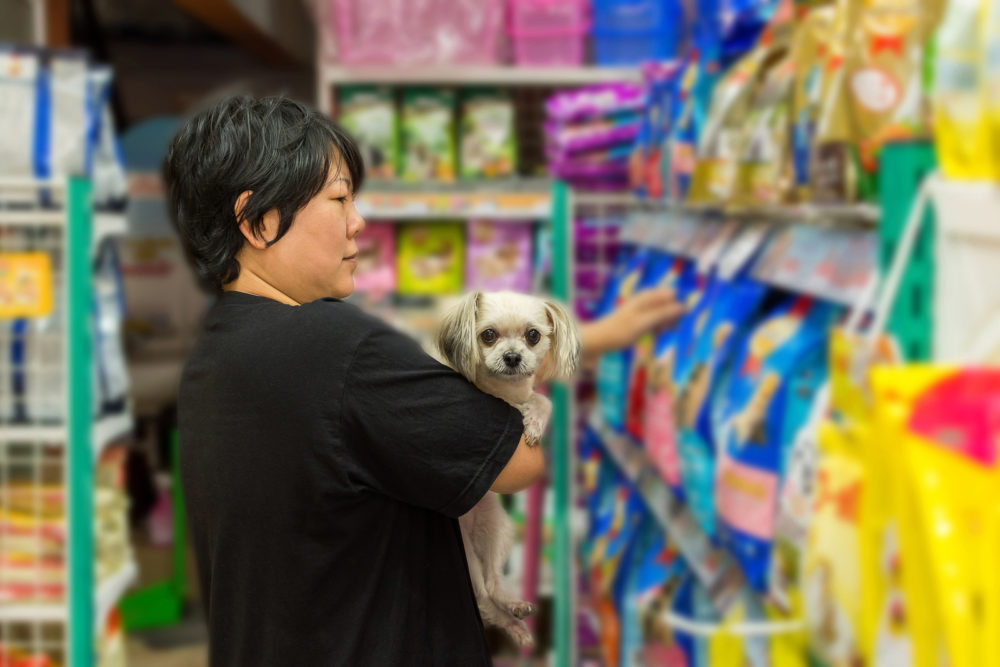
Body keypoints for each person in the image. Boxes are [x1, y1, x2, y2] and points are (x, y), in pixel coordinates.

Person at [165, 95, 682, 667]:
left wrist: (598, 336)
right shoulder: (343, 352)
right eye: (339, 199)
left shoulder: (216, 350)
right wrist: (572, 364)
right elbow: (519, 460)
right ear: (259, 220)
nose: (358, 220)